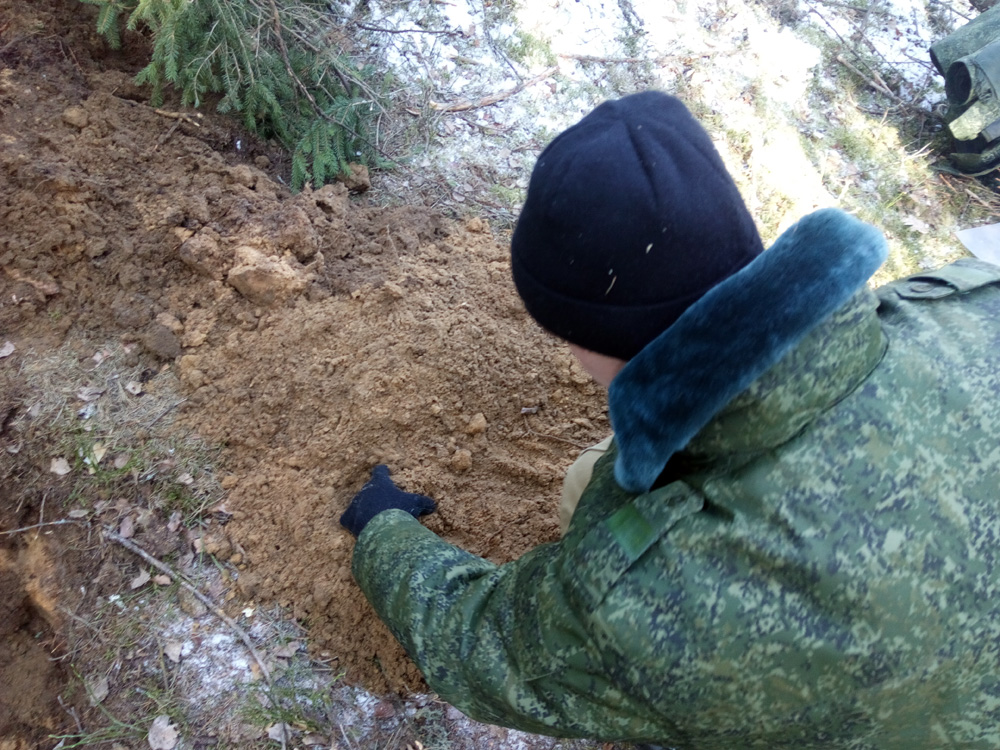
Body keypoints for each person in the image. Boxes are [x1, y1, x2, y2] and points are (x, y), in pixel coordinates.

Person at [338, 91, 1000, 748]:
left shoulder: (673, 594)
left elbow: (485, 647)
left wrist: (382, 528)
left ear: (587, 337)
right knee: (590, 474)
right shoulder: (965, 305)